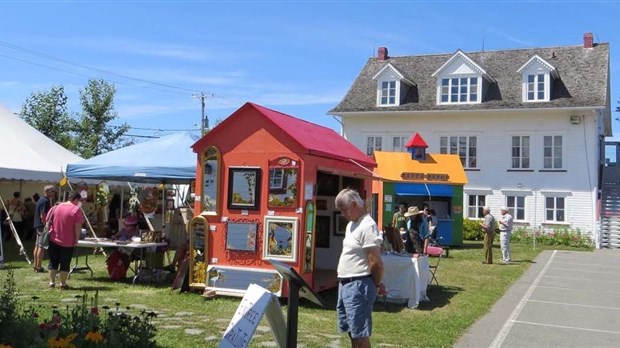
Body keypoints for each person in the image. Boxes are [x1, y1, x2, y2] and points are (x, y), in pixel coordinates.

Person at [335, 188, 383, 348]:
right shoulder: (352, 225)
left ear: (354, 204)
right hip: (347, 284)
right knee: (352, 330)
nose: (342, 214)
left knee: (359, 334)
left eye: (344, 209)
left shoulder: (367, 226)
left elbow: (375, 262)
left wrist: (376, 284)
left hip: (358, 285)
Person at [47, 192, 85, 289]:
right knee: (65, 263)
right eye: (79, 201)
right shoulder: (76, 210)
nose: (79, 203)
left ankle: (52, 282)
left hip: (53, 238)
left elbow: (47, 220)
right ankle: (63, 283)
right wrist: (76, 240)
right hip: (68, 241)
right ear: (76, 199)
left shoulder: (56, 207)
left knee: (53, 261)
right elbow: (77, 227)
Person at [33, 185, 56, 273]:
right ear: (47, 192)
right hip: (42, 226)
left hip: (38, 225)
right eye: (52, 191)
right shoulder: (45, 201)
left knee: (37, 245)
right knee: (41, 247)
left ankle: (36, 265)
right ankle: (38, 267)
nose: (54, 193)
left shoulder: (41, 199)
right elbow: (43, 215)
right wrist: (46, 225)